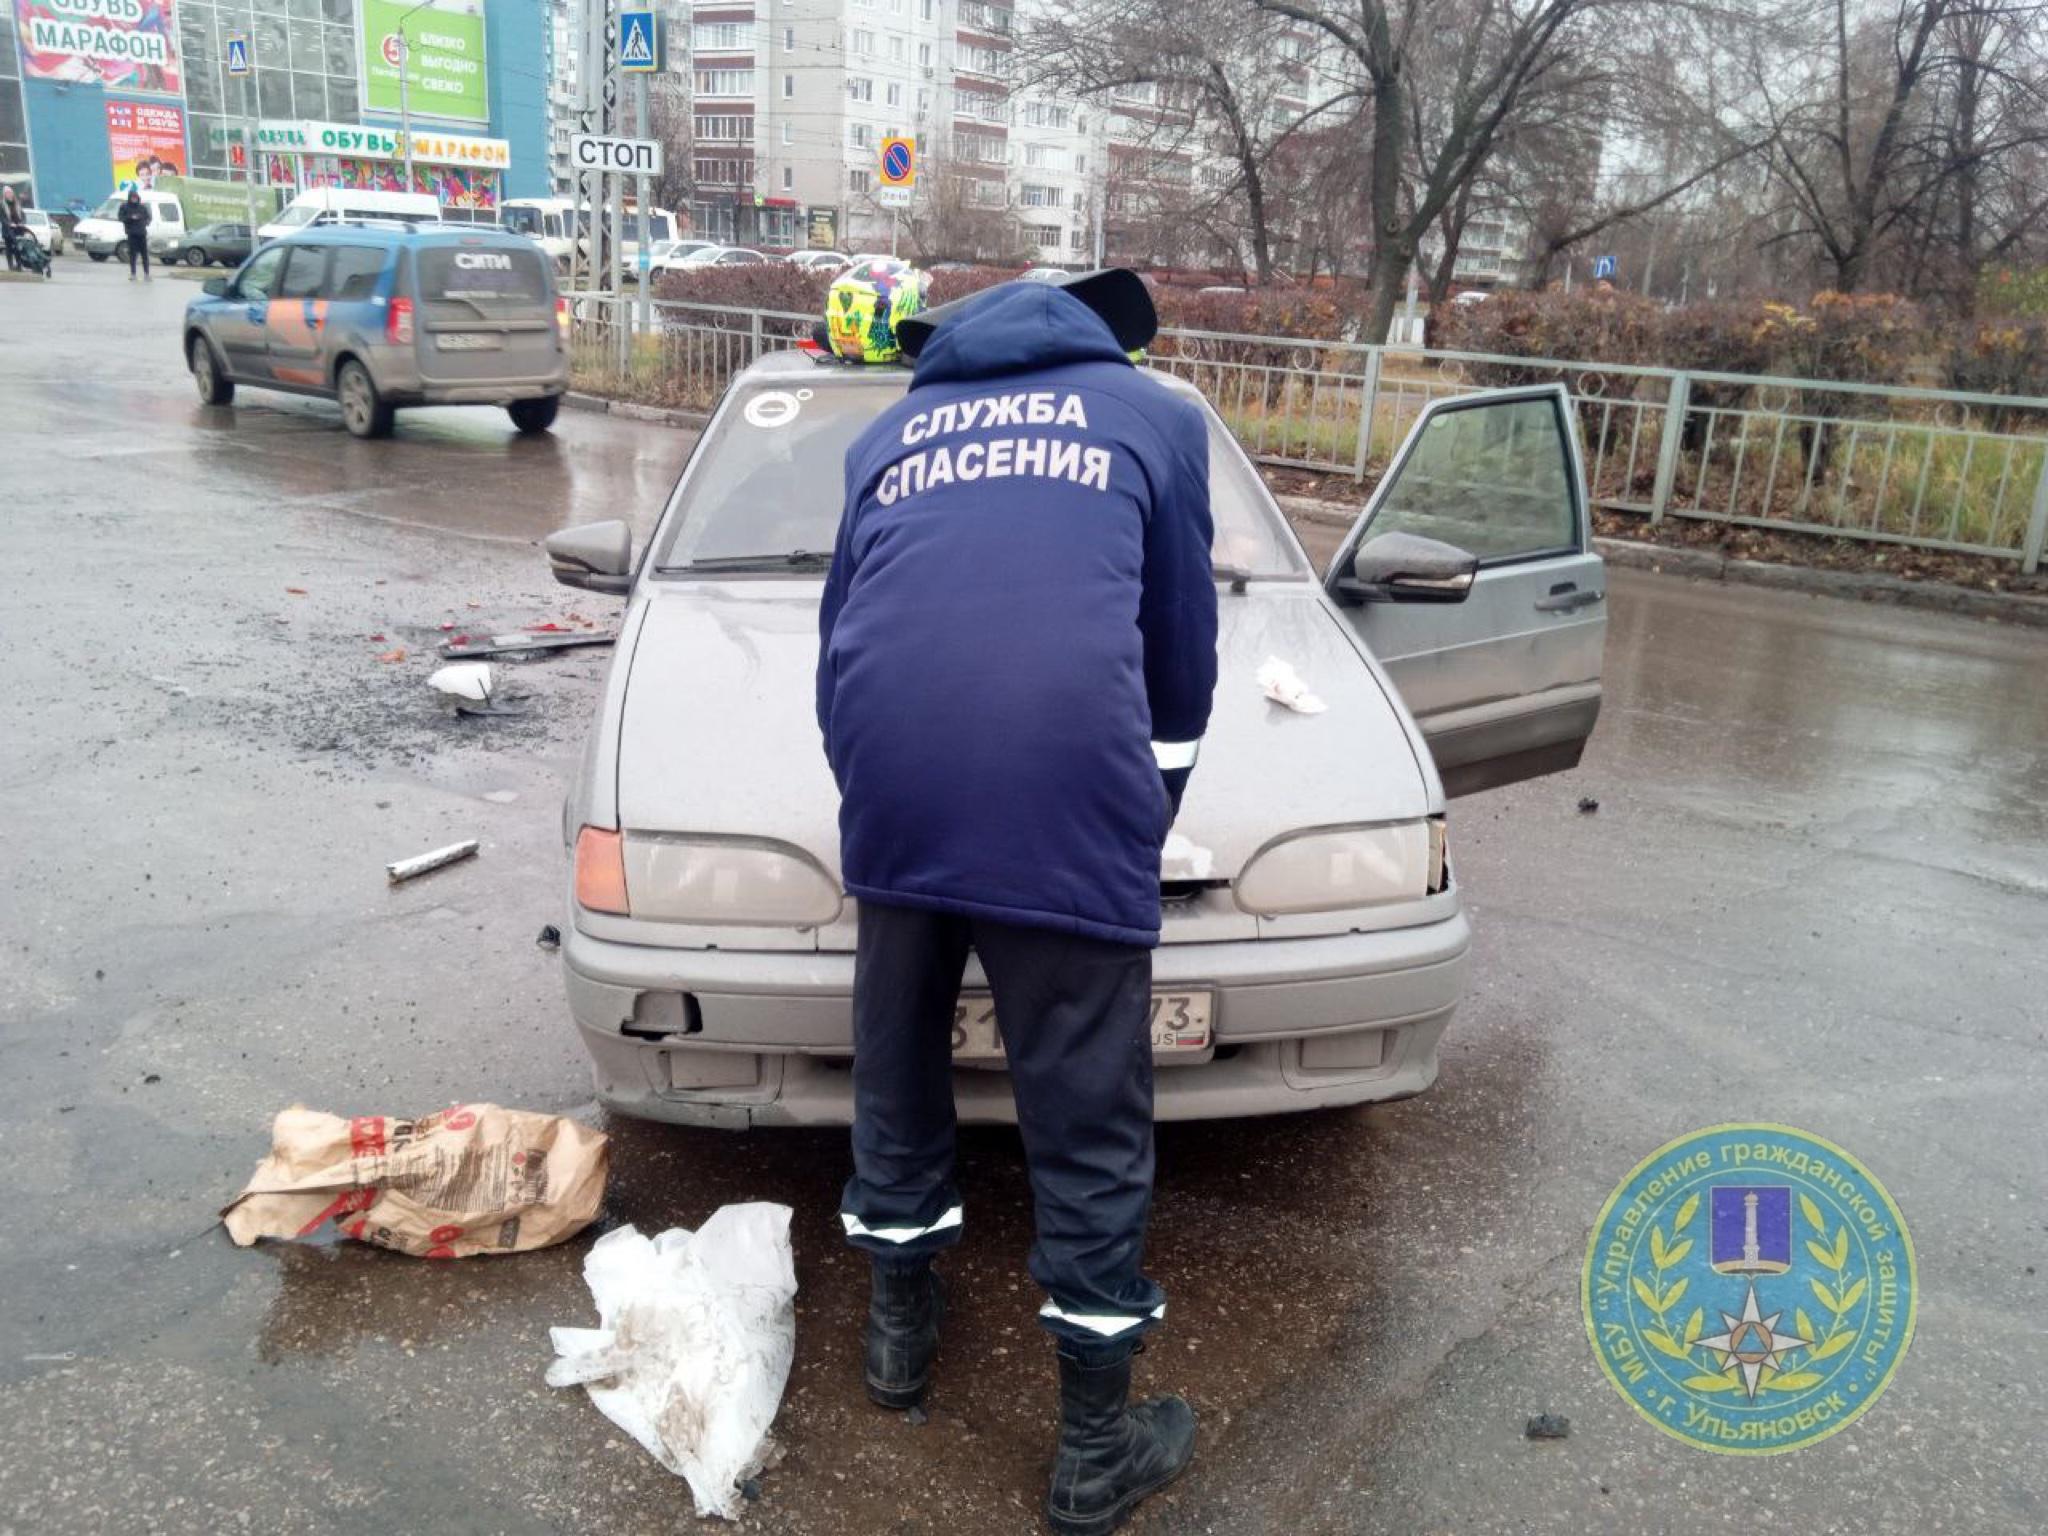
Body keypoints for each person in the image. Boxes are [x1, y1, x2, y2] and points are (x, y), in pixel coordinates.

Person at [816, 269, 1218, 1536]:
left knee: (895, 1066)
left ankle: (897, 1346)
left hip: (894, 777)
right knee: (1084, 1111)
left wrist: (882, 796)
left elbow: (842, 640)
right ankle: (1094, 1452)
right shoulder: (1153, 417)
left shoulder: (887, 433)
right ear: (1104, 333)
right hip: (1058, 783)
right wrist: (1136, 810)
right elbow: (1179, 652)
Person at [119, 189, 152, 280]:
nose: (134, 199)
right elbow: (121, 218)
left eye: (136, 197)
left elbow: (148, 217)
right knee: (133, 255)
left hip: (142, 233)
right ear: (130, 198)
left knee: (144, 255)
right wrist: (130, 218)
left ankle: (147, 274)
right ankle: (133, 274)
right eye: (133, 197)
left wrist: (146, 222)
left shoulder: (142, 207)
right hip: (132, 233)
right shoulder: (125, 207)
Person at [1, 186, 24, 273]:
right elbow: (2, 218)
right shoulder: (2, 204)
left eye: (10, 193)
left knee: (18, 247)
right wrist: (9, 224)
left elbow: (22, 214)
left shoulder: (17, 203)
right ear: (4, 195)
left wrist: (21, 222)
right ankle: (10, 266)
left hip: (18, 229)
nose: (9, 195)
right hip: (8, 230)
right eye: (7, 193)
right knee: (9, 248)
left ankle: (19, 265)